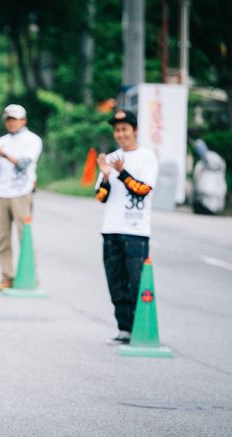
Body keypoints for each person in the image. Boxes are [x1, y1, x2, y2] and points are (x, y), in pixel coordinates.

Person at [95, 109, 158, 344]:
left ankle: (140, 327)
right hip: (111, 229)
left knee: (136, 283)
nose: (120, 134)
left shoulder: (147, 158)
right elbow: (101, 197)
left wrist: (121, 173)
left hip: (136, 232)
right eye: (117, 130)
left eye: (125, 129)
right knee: (116, 283)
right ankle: (124, 328)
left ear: (135, 130)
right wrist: (104, 176)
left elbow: (143, 190)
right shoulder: (110, 158)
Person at [0, 104, 43, 292]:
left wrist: (2, 154)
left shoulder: (32, 140)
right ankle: (6, 276)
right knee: (3, 237)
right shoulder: (1, 141)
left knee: (23, 235)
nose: (11, 123)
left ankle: (30, 276)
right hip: (1, 192)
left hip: (22, 192)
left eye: (15, 119)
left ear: (23, 120)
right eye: (8, 119)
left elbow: (23, 164)